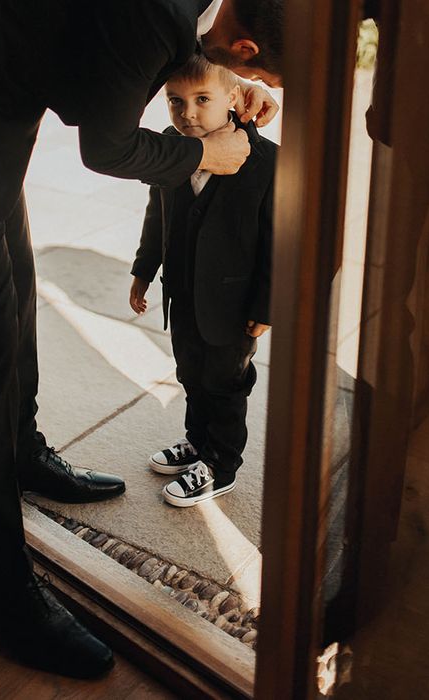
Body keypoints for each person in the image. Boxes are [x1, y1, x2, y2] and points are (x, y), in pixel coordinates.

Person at [0, 0, 283, 680]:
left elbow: (104, 65)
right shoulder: (156, 14)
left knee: (17, 286)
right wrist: (202, 151)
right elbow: (106, 145)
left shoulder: (186, 11)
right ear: (248, 48)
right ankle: (2, 595)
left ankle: (20, 453)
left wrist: (226, 94)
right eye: (270, 77)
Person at [129, 55, 274, 508]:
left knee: (226, 382)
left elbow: (278, 241)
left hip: (234, 305)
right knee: (191, 372)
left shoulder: (267, 162)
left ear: (233, 98)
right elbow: (159, 217)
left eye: (202, 99)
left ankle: (222, 463)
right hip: (184, 295)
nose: (187, 112)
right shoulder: (172, 149)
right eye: (175, 101)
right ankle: (198, 443)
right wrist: (143, 270)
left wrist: (267, 307)